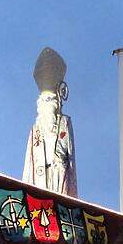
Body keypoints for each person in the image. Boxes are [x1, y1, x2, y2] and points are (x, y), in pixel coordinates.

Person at [22, 47, 77, 197]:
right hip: (38, 182)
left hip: (59, 177)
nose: (46, 104)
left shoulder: (64, 123)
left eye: (50, 99)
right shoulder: (36, 129)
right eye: (44, 100)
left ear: (57, 100)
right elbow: (29, 165)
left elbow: (71, 163)